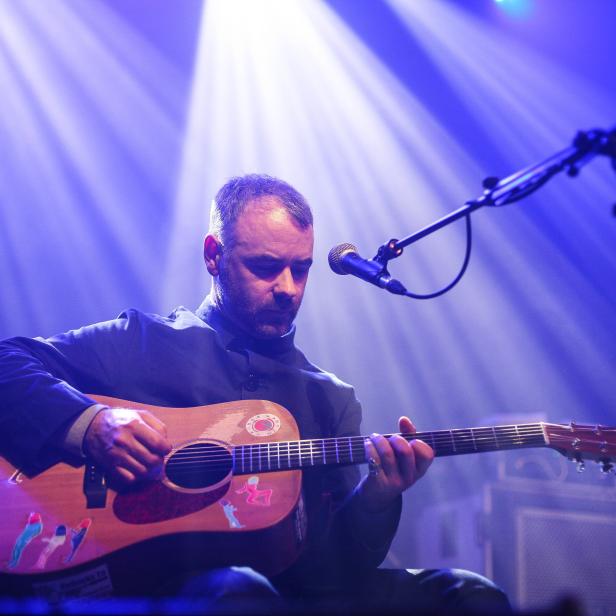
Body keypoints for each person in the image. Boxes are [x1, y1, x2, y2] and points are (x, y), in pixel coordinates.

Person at [0, 174, 510, 613]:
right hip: (153, 585)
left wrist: (377, 497)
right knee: (238, 593)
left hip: (289, 592)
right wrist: (92, 426)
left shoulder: (327, 398)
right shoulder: (144, 343)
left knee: (468, 595)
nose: (288, 288)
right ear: (213, 256)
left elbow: (333, 576)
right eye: (266, 267)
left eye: (302, 268)